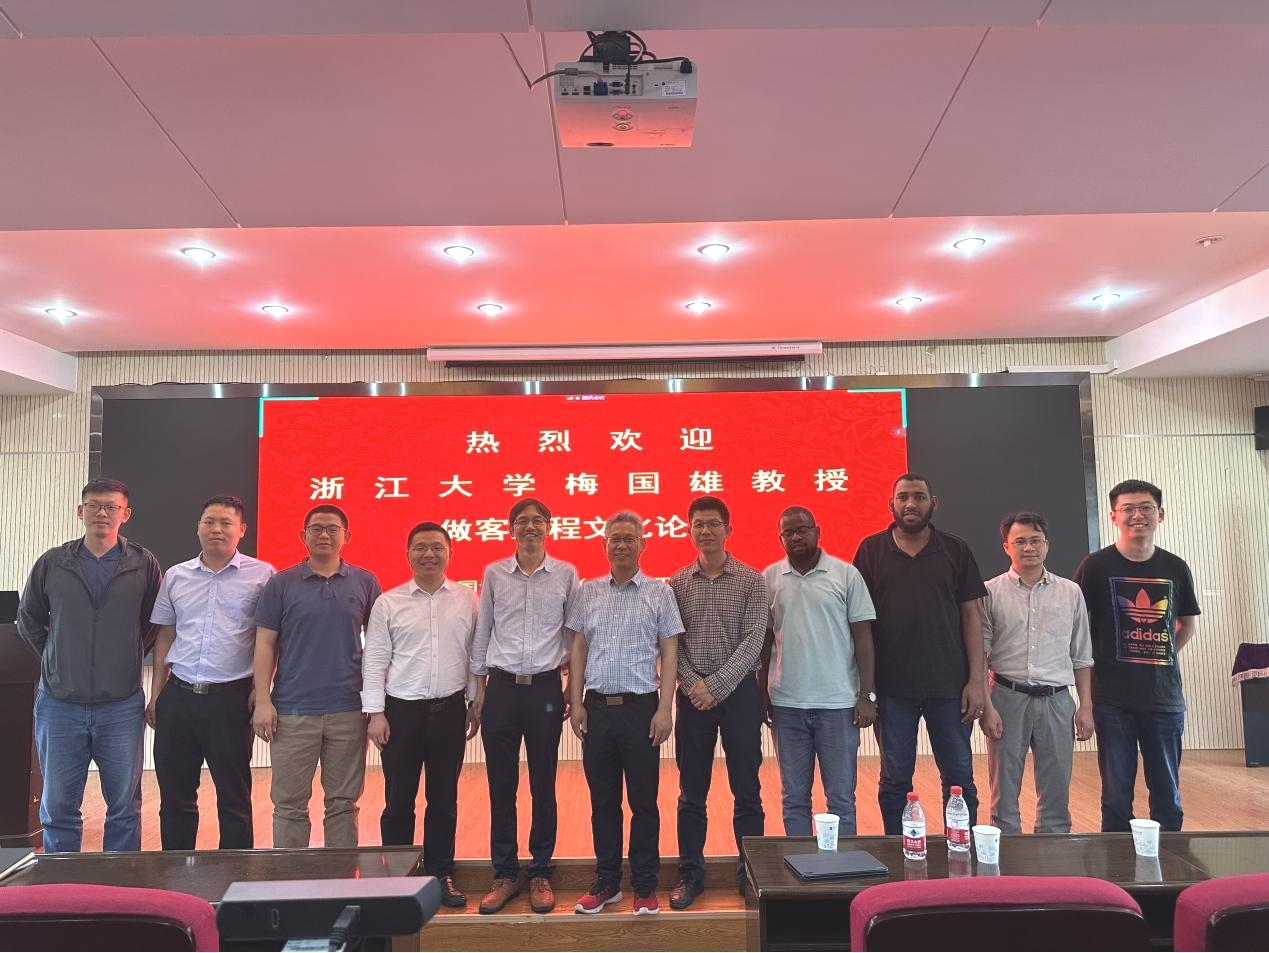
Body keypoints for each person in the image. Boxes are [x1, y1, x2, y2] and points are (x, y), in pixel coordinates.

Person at [17, 477, 162, 853]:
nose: (102, 512)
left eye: (111, 506)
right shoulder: (53, 562)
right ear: (80, 511)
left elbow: (154, 622)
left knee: (124, 807)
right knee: (58, 807)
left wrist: (128, 652)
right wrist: (56, 657)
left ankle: (119, 882)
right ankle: (62, 882)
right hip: (59, 705)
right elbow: (28, 618)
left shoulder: (143, 563)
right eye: (94, 505)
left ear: (125, 514)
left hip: (121, 705)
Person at [853, 473, 988, 834]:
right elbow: (860, 624)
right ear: (891, 504)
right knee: (895, 780)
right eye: (903, 497)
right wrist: (866, 688)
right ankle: (899, 854)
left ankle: (960, 850)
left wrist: (977, 681)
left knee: (959, 778)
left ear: (933, 503)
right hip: (892, 689)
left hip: (950, 687)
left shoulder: (956, 550)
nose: (911, 504)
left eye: (918, 497)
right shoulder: (870, 551)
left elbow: (971, 617)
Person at [566, 510, 682, 916]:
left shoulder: (659, 593)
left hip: (641, 710)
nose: (621, 545)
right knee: (603, 803)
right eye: (614, 538)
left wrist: (665, 708)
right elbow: (578, 648)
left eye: (629, 538)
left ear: (642, 544)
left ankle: (645, 885)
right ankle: (607, 882)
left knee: (644, 803)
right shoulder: (588, 592)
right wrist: (576, 701)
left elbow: (670, 652)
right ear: (604, 545)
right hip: (597, 709)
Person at [147, 495, 275, 850]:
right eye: (209, 522)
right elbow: (165, 636)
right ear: (198, 527)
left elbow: (269, 639)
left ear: (242, 530)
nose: (216, 529)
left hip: (231, 700)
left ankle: (235, 875)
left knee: (234, 799)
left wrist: (261, 689)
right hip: (179, 696)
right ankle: (175, 872)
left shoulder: (263, 576)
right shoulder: (176, 575)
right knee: (175, 797)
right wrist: (156, 694)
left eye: (226, 523)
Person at [470, 498, 578, 916]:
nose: (530, 527)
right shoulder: (494, 573)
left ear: (549, 526)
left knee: (543, 784)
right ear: (511, 528)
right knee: (501, 785)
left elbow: (572, 634)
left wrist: (570, 687)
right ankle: (505, 872)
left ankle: (540, 871)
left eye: (537, 520)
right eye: (522, 521)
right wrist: (478, 688)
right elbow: (483, 630)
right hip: (500, 689)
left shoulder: (566, 574)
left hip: (545, 691)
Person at [251, 504, 381, 848]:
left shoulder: (365, 582)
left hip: (349, 711)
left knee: (343, 805)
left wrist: (375, 705)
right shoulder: (281, 584)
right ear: (303, 536)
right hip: (292, 712)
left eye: (332, 529)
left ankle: (340, 878)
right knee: (289, 806)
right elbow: (265, 643)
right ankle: (292, 878)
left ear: (346, 536)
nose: (324, 534)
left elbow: (379, 646)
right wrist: (262, 700)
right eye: (317, 528)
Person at [1073, 480, 1200, 832]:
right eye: (1127, 509)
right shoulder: (1095, 566)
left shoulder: (1175, 566)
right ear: (1113, 516)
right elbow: (1078, 626)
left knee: (1167, 794)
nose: (1137, 515)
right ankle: (1116, 863)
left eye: (1146, 508)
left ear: (1160, 514)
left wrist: (1162, 655)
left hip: (1164, 698)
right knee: (1116, 797)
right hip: (1112, 699)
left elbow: (1187, 624)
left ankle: (1171, 860)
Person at [363, 521, 478, 907]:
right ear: (408, 553)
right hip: (401, 714)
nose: (429, 554)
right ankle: (399, 878)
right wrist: (375, 713)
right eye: (421, 547)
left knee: (444, 799)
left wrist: (473, 702)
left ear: (450, 553)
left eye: (437, 547)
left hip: (450, 711)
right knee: (398, 800)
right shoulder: (389, 602)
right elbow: (375, 659)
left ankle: (441, 873)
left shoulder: (467, 599)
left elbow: (473, 655)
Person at [667, 496, 767, 910]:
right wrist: (696, 685)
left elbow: (754, 640)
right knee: (691, 791)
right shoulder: (676, 583)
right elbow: (672, 643)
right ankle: (691, 873)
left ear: (728, 529)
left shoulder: (752, 580)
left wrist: (717, 686)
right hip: (693, 697)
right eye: (698, 524)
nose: (705, 531)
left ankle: (751, 874)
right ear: (689, 530)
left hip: (740, 694)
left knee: (747, 789)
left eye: (713, 524)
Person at [761, 506, 877, 839]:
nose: (796, 537)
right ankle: (799, 868)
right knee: (794, 799)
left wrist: (867, 695)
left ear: (817, 531)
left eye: (802, 529)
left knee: (841, 800)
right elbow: (764, 641)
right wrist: (761, 694)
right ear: (780, 538)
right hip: (787, 705)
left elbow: (863, 638)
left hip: (838, 705)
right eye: (788, 533)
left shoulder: (846, 574)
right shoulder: (769, 577)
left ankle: (843, 868)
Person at [978, 512, 1093, 834]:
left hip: (1057, 701)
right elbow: (981, 655)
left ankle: (1053, 852)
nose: (1028, 548)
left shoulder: (1070, 592)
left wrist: (1086, 706)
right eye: (1020, 542)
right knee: (1004, 792)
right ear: (1006, 547)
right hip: (1006, 698)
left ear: (1046, 545)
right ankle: (1006, 854)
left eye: (1035, 541)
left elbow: (1082, 655)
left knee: (1056, 790)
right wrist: (987, 706)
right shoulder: (990, 592)